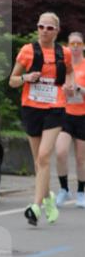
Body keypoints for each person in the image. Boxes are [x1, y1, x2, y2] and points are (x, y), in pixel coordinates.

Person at [9, 12, 74, 225]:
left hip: (55, 108)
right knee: (39, 162)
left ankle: (35, 206)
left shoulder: (63, 53)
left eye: (49, 28)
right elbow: (12, 81)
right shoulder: (27, 51)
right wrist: (26, 77)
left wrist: (69, 86)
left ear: (57, 31)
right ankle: (48, 199)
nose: (45, 31)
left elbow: (71, 73)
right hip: (32, 108)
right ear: (37, 28)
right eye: (41, 27)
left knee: (45, 156)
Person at [55, 31, 85, 208]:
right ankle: (64, 189)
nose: (74, 47)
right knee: (60, 153)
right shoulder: (63, 67)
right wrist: (64, 91)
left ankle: (81, 192)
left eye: (78, 44)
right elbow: (55, 90)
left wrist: (79, 89)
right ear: (67, 46)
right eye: (72, 44)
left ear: (83, 46)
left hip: (82, 116)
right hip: (65, 114)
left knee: (81, 158)